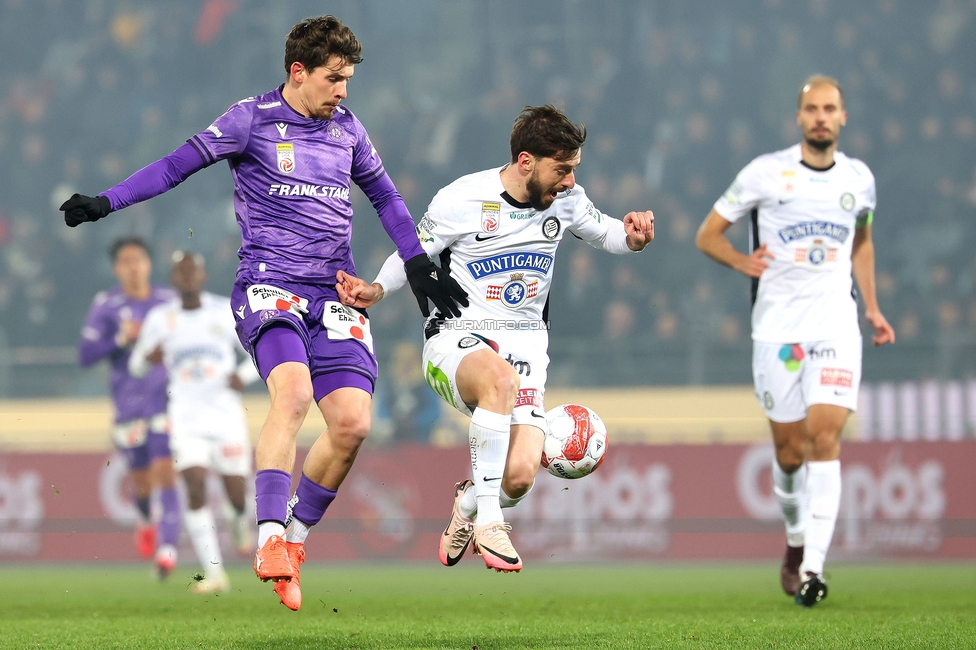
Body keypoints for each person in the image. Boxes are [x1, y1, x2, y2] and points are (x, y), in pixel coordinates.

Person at [60, 15, 466, 611]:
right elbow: (176, 166)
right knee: (294, 394)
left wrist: (415, 261)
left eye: (348, 78)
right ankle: (268, 535)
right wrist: (106, 202)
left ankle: (295, 541)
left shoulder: (348, 129)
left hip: (334, 295)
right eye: (334, 78)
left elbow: (385, 196)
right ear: (298, 73)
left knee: (353, 425)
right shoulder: (249, 120)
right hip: (268, 287)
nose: (343, 91)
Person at [337, 105, 654, 572]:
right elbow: (413, 249)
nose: (569, 181)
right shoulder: (463, 198)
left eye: (574, 170)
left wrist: (633, 238)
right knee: (498, 382)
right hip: (456, 340)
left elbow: (606, 232)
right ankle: (489, 521)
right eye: (561, 170)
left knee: (522, 476)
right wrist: (377, 289)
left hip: (527, 347)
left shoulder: (566, 201)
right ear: (526, 161)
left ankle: (468, 506)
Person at [695, 75, 896, 607]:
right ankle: (795, 538)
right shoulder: (767, 173)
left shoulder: (859, 180)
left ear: (843, 117)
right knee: (788, 454)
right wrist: (742, 262)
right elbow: (707, 233)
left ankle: (813, 569)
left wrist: (872, 309)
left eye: (831, 108)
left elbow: (863, 245)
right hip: (778, 333)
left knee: (824, 439)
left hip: (835, 325)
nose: (822, 117)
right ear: (800, 117)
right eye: (812, 109)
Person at [129, 251, 260, 594]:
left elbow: (257, 356)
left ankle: (238, 520)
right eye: (180, 271)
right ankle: (215, 575)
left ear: (203, 276)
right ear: (173, 278)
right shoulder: (161, 318)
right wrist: (147, 358)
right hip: (185, 417)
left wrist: (242, 377)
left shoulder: (223, 311)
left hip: (226, 415)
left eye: (193, 270)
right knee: (195, 486)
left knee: (236, 495)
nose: (187, 276)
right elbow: (135, 366)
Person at [78, 237, 182, 578]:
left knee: (166, 471)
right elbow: (85, 355)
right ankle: (143, 516)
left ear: (150, 264)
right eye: (126, 261)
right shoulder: (107, 305)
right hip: (127, 404)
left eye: (139, 259)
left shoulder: (169, 301)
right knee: (142, 483)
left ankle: (167, 552)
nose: (133, 267)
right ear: (116, 268)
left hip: (166, 399)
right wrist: (121, 339)